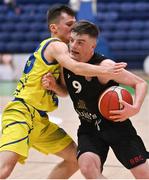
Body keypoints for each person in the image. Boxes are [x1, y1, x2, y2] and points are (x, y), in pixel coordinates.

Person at [0, 5, 126, 179]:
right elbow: (76, 67)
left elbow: (64, 92)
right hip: (21, 113)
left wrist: (53, 87)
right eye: (69, 24)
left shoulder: (61, 55)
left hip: (40, 120)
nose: (73, 28)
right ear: (54, 28)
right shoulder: (55, 45)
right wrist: (106, 71)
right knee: (3, 170)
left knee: (75, 159)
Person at [42, 20, 149, 179]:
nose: (73, 46)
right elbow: (65, 92)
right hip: (89, 128)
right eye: (71, 40)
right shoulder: (67, 64)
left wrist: (135, 107)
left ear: (92, 47)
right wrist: (54, 87)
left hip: (117, 127)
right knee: (87, 167)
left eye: (80, 42)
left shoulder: (105, 66)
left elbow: (140, 83)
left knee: (144, 174)